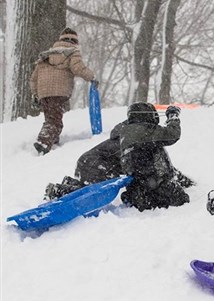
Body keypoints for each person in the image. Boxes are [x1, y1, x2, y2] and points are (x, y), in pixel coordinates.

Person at [43, 117, 193, 201]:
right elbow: (162, 169)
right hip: (97, 164)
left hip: (88, 161)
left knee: (92, 189)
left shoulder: (126, 137)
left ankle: (68, 185)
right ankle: (59, 190)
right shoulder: (139, 142)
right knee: (95, 194)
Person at [30, 27, 98, 155]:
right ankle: (43, 141)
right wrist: (92, 77)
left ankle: (53, 141)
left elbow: (34, 78)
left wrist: (35, 94)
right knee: (55, 121)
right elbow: (78, 68)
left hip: (43, 92)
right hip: (59, 91)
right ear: (74, 41)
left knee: (51, 117)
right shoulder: (72, 52)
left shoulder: (46, 55)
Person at [117, 102, 190, 211]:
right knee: (183, 199)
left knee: (154, 149)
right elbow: (172, 134)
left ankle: (137, 197)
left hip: (138, 185)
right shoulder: (143, 130)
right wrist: (172, 116)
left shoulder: (126, 131)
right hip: (154, 185)